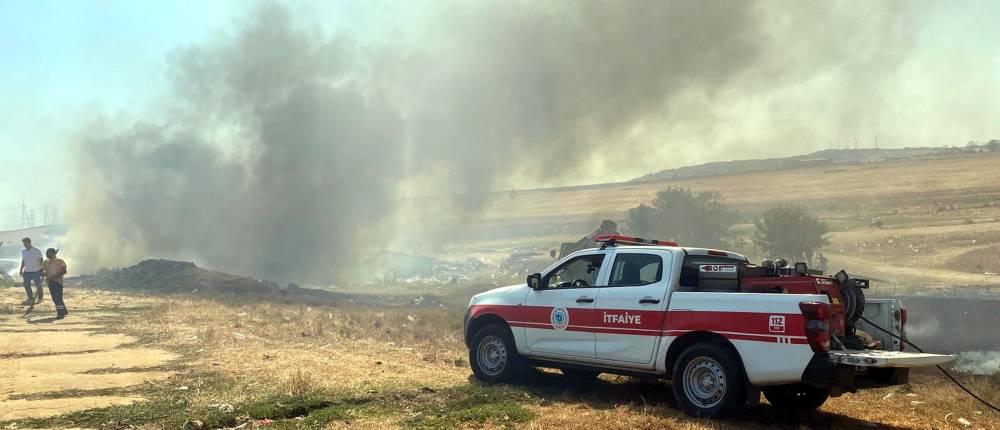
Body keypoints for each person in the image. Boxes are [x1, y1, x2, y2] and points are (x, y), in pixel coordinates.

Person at [41, 248, 68, 318]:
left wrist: (55, 276)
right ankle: (64, 311)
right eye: (46, 253)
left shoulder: (59, 261)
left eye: (48, 253)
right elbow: (43, 270)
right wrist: (42, 273)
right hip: (49, 282)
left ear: (52, 253)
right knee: (55, 298)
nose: (46, 254)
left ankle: (60, 313)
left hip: (58, 282)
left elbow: (64, 271)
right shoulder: (46, 262)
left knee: (57, 298)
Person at [19, 237, 44, 305]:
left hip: (36, 270)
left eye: (25, 243)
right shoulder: (23, 251)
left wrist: (42, 268)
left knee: (38, 285)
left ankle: (40, 298)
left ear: (29, 242)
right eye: (23, 243)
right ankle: (30, 298)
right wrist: (21, 269)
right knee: (26, 285)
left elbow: (41, 259)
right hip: (26, 271)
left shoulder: (36, 250)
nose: (24, 245)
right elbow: (23, 260)